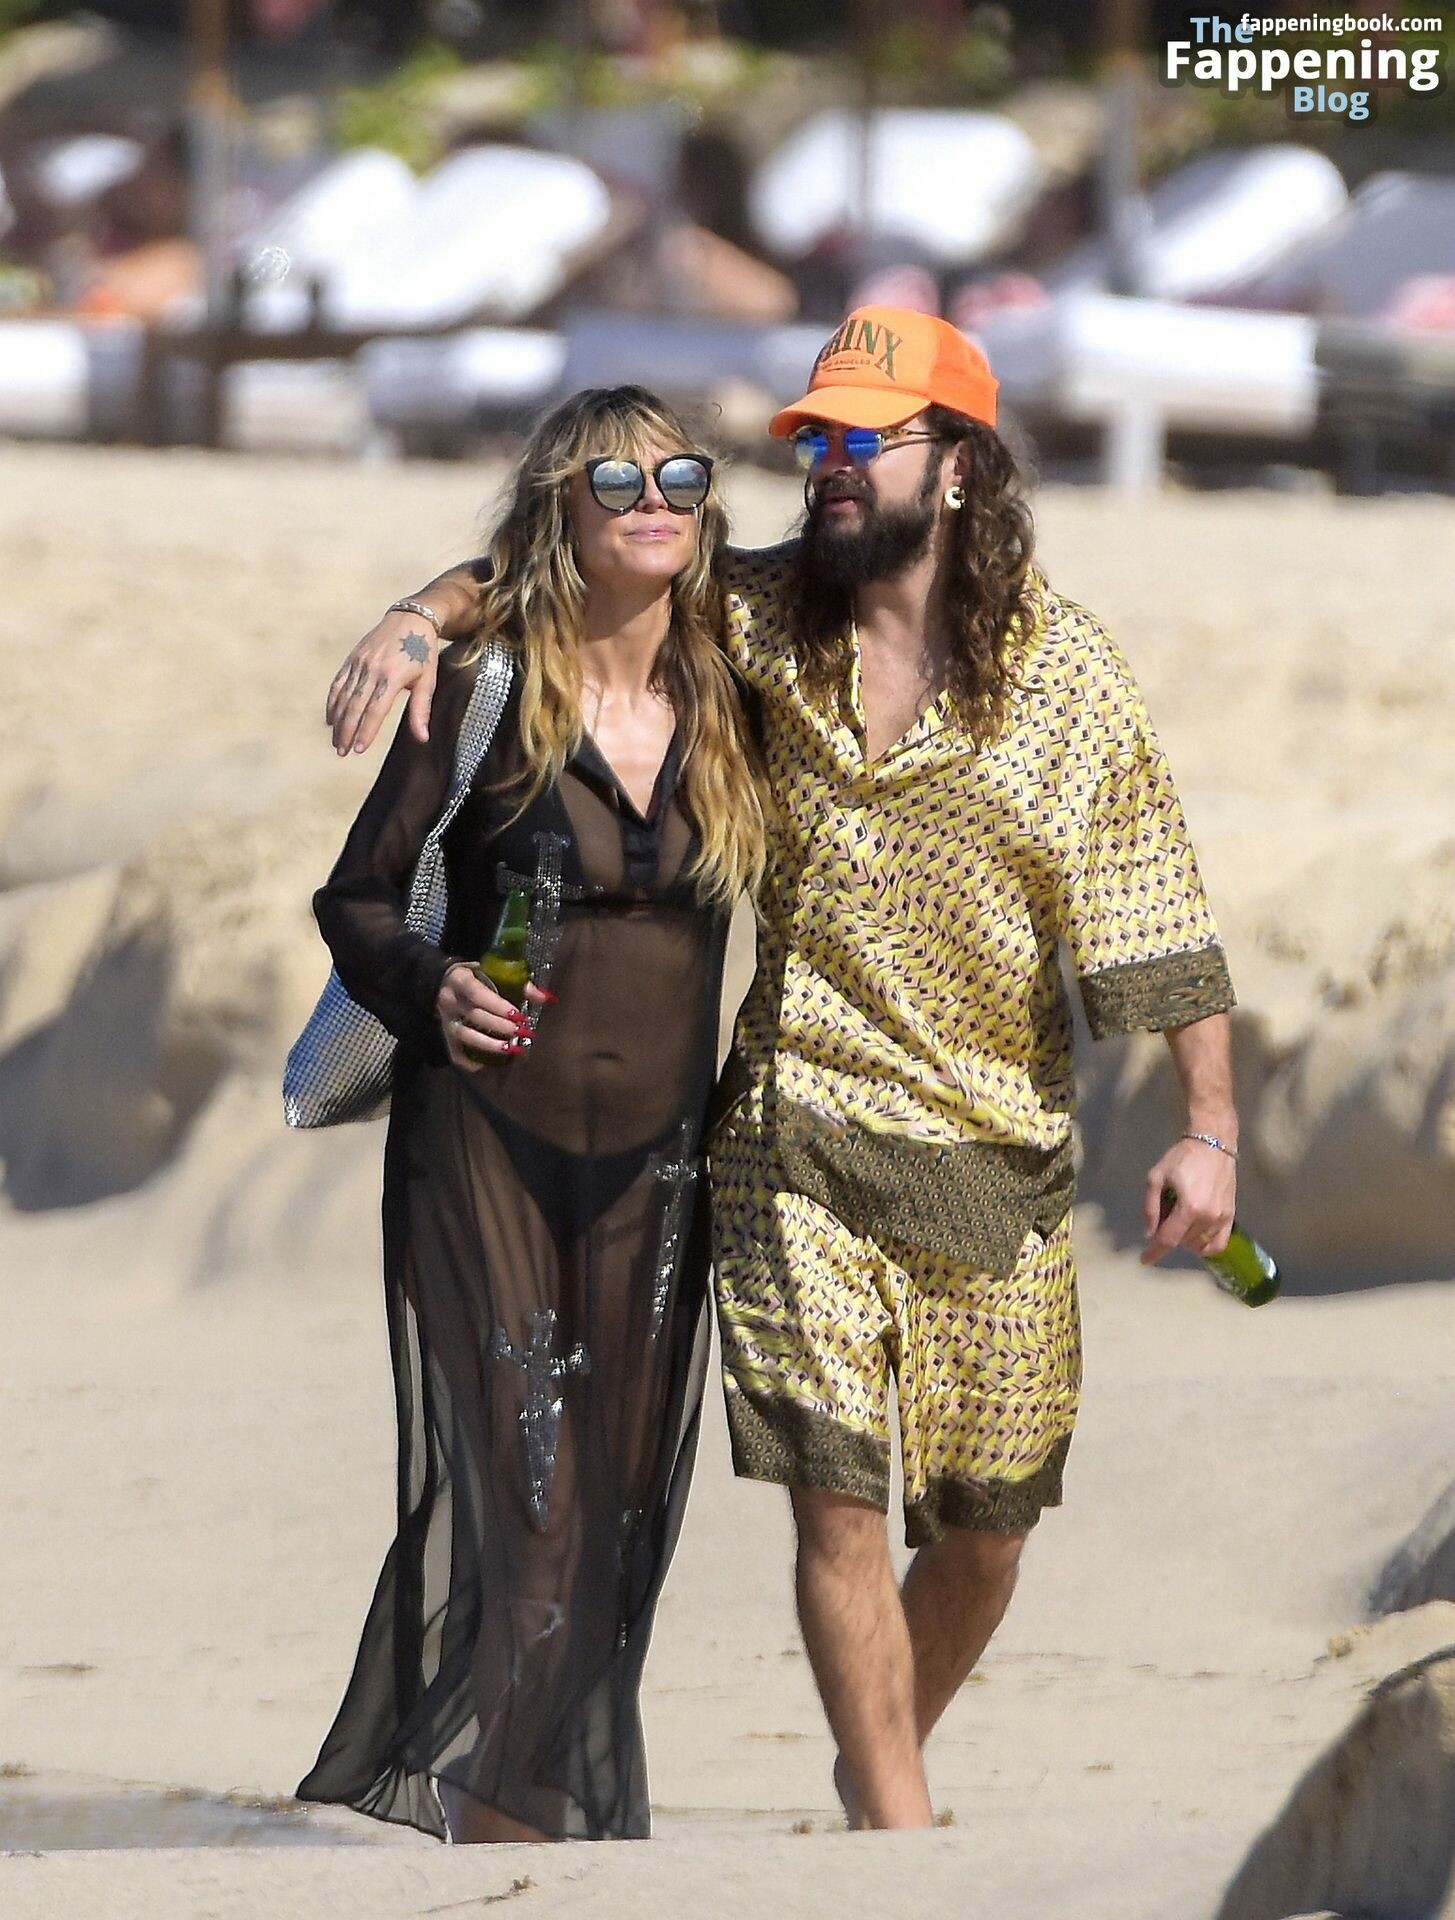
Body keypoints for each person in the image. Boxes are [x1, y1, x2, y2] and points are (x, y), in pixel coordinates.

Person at [324, 308, 1239, 1833]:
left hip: (1000, 1156)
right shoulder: (760, 619)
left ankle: (877, 1760)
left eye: (866, 437)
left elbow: (1160, 912)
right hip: (790, 1130)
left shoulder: (1069, 677)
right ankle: (898, 1848)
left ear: (960, 466)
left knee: (989, 1530)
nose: (831, 465)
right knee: (831, 1510)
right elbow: (579, 555)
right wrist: (420, 611)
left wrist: (1210, 1128)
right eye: (817, 439)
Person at [296, 386, 764, 1844]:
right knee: (538, 1518)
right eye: (616, 481)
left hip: (659, 1169)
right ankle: (508, 1848)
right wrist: (429, 984)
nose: (654, 503)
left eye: (680, 477)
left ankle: (524, 1832)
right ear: (561, 508)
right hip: (482, 1150)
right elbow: (357, 898)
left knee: (610, 1528)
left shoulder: (739, 687)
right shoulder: (484, 692)